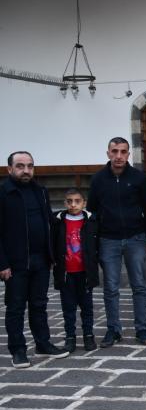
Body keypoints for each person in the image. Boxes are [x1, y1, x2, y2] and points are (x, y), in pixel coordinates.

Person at [87, 137, 146, 347]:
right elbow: (93, 210)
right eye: (115, 151)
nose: (119, 156)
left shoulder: (138, 178)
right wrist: (94, 242)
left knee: (139, 285)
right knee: (110, 287)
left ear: (128, 154)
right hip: (108, 239)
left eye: (123, 151)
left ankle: (142, 329)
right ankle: (113, 329)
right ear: (108, 153)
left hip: (136, 238)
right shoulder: (98, 179)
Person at [1, 151, 69, 368]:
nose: (26, 170)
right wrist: (2, 263)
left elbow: (48, 220)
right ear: (10, 169)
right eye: (20, 166)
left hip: (41, 260)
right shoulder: (3, 193)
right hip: (16, 263)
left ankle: (43, 343)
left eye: (30, 166)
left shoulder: (40, 191)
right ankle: (18, 350)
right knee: (15, 307)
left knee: (39, 304)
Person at [51, 189, 99, 353]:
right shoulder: (57, 221)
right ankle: (70, 337)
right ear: (64, 203)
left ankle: (88, 335)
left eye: (77, 201)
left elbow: (97, 244)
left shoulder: (91, 220)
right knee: (68, 308)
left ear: (84, 203)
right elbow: (52, 242)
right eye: (69, 201)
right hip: (66, 273)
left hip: (85, 273)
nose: (73, 204)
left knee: (87, 307)